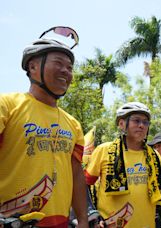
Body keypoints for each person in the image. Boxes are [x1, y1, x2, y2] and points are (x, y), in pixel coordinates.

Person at [0, 26, 88, 227]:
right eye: (59, 63)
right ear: (32, 67)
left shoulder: (73, 124)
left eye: (70, 67)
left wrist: (83, 219)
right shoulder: (7, 105)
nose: (66, 71)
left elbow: (76, 175)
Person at [85, 102, 161, 228]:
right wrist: (91, 212)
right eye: (136, 121)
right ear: (121, 124)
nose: (141, 125)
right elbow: (83, 184)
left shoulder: (155, 156)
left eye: (145, 122)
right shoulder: (104, 150)